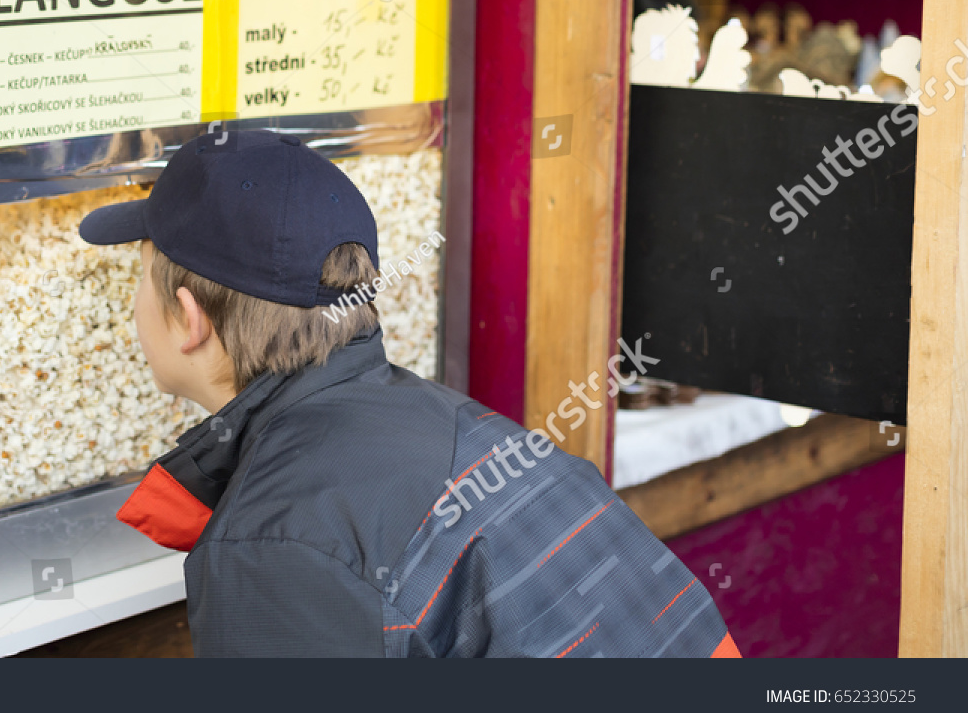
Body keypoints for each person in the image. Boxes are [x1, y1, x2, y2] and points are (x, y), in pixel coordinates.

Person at [79, 130, 739, 658]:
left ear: (189, 318)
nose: (133, 305)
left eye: (142, 278)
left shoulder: (276, 545)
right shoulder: (455, 425)